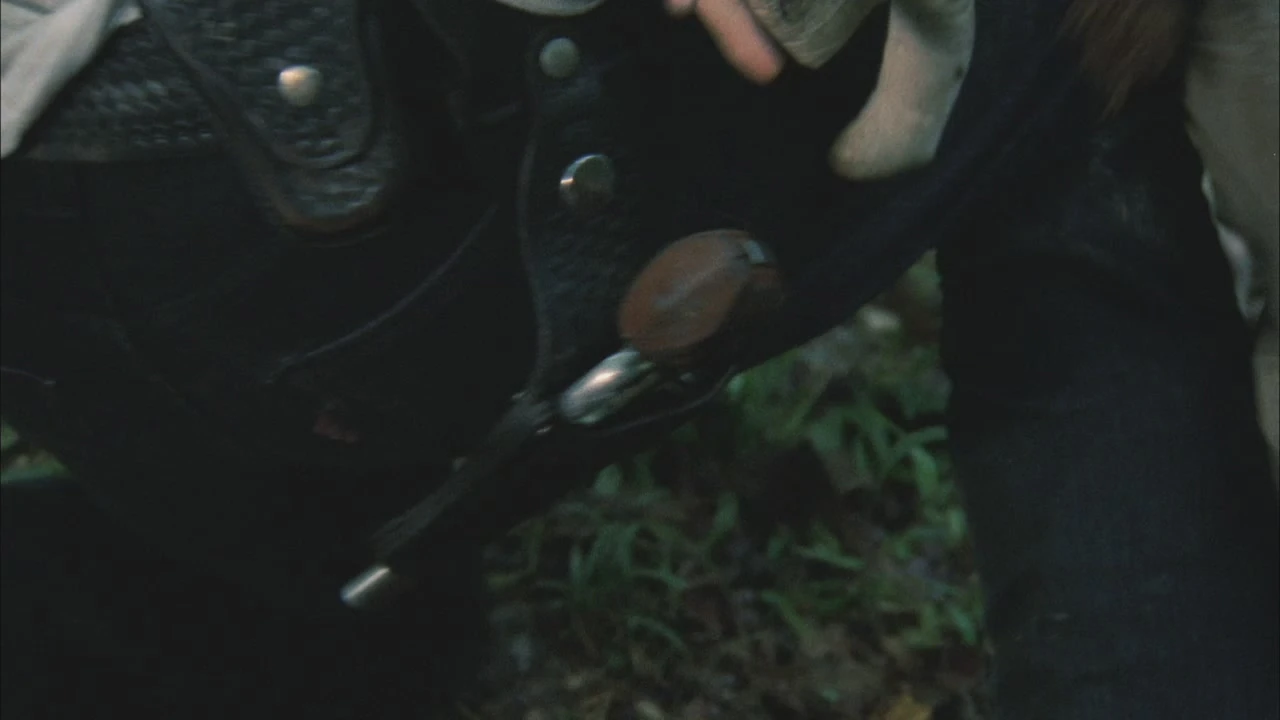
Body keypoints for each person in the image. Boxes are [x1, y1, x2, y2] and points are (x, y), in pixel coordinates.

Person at [2, 1, 1276, 719]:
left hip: (113, 271)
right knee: (1083, 63)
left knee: (347, 633)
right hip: (215, 179)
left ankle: (249, 582)